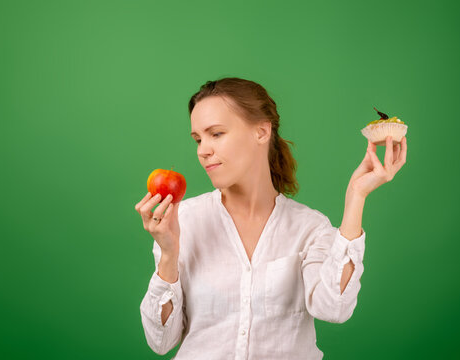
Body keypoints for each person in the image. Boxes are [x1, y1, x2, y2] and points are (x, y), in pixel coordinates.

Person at [134, 77, 407, 359]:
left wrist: (356, 197)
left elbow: (334, 308)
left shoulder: (309, 228)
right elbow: (161, 341)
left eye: (216, 134)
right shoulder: (183, 221)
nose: (203, 150)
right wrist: (168, 252)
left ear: (262, 132)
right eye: (198, 139)